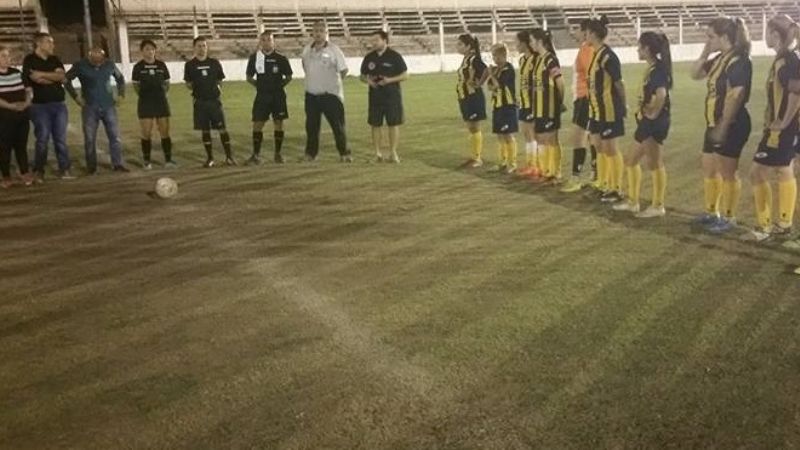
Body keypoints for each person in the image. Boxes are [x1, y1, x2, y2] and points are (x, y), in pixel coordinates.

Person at [690, 17, 753, 234]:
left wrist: (724, 126)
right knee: (709, 168)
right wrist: (705, 52)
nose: (708, 40)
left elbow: (736, 95)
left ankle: (729, 216)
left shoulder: (739, 60)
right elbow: (695, 74)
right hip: (714, 123)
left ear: (724, 37)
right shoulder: (720, 58)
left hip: (731, 124)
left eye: (711, 37)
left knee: (728, 172)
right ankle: (711, 211)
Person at [740, 15, 799, 242]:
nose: (764, 36)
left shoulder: (786, 60)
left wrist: (783, 122)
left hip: (780, 129)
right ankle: (781, 225)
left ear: (775, 34)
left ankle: (766, 227)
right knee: (783, 170)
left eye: (767, 31)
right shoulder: (785, 59)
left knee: (759, 172)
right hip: (780, 127)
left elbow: (795, 91)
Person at [612, 32, 672, 218]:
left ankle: (658, 205)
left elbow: (661, 94)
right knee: (631, 160)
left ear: (647, 49)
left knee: (654, 163)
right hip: (647, 122)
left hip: (654, 123)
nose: (637, 50)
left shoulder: (658, 70)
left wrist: (652, 113)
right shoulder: (653, 68)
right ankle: (633, 202)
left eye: (639, 47)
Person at [65, 45, 128, 174]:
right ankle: (91, 167)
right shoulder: (80, 65)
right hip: (89, 107)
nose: (99, 63)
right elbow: (66, 80)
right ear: (90, 57)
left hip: (108, 105)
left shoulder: (109, 64)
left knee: (115, 137)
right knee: (89, 138)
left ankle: (117, 164)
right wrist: (76, 97)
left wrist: (121, 94)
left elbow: (120, 78)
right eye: (96, 60)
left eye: (101, 60)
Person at [586, 16, 627, 203]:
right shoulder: (596, 53)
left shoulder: (608, 56)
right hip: (596, 110)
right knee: (598, 144)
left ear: (594, 34)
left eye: (587, 32)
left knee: (610, 148)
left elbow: (618, 83)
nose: (584, 36)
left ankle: (616, 188)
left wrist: (623, 105)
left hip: (609, 109)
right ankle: (604, 182)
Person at [22, 32, 72, 180]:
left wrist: (42, 75)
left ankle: (65, 169)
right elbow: (35, 80)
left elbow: (62, 77)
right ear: (39, 44)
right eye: (49, 42)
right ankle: (39, 170)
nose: (52, 45)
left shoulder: (55, 59)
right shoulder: (29, 60)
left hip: (59, 104)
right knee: (42, 138)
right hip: (39, 106)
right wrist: (53, 77)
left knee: (60, 139)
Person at [301, 21, 351, 162]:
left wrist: (332, 84)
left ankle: (344, 154)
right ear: (312, 32)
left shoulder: (334, 50)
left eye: (321, 31)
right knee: (311, 127)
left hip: (331, 96)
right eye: (315, 30)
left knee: (338, 127)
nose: (318, 33)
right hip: (311, 96)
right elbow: (305, 66)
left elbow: (344, 70)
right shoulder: (306, 50)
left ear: (326, 33)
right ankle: (311, 154)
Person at [184, 36, 235, 167]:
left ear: (207, 47)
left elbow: (220, 79)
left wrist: (217, 89)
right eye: (199, 46)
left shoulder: (214, 63)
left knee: (222, 128)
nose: (202, 48)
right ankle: (210, 158)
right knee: (205, 130)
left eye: (204, 46)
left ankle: (229, 157)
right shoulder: (190, 65)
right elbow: (188, 83)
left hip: (214, 101)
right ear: (194, 48)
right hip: (200, 102)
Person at [360, 29, 408, 164]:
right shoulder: (369, 57)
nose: (373, 43)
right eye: (372, 40)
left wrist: (389, 80)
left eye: (376, 40)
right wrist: (368, 81)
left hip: (392, 96)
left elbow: (405, 75)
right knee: (375, 124)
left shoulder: (395, 56)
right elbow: (362, 76)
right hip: (375, 96)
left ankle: (393, 153)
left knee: (393, 124)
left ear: (384, 40)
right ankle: (377, 154)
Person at [561, 19, 598, 193]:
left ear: (585, 32)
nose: (573, 32)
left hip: (584, 98)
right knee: (590, 137)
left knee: (579, 137)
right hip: (583, 98)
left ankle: (576, 177)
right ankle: (595, 174)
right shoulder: (586, 49)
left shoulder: (586, 50)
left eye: (577, 29)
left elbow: (592, 75)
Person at [246, 30, 293, 165]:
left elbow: (289, 77)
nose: (266, 42)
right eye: (264, 40)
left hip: (278, 96)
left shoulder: (281, 58)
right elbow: (249, 77)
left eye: (269, 39)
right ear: (260, 42)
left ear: (273, 42)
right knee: (257, 124)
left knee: (279, 123)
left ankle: (278, 154)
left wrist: (278, 87)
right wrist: (260, 86)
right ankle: (256, 155)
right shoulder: (255, 58)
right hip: (262, 96)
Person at [132, 39, 175, 169]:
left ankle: (168, 160)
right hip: (145, 103)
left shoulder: (161, 65)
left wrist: (161, 93)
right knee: (146, 132)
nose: (150, 51)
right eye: (147, 49)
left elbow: (167, 83)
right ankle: (147, 161)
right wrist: (145, 95)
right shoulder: (138, 67)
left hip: (161, 102)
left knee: (165, 131)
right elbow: (136, 85)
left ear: (155, 51)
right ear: (142, 51)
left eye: (152, 49)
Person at [530, 28, 565, 184]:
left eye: (532, 41)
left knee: (551, 140)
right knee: (541, 139)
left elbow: (560, 82)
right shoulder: (538, 59)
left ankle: (555, 173)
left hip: (550, 107)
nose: (530, 44)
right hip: (538, 108)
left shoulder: (550, 59)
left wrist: (559, 102)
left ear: (539, 41)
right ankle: (545, 171)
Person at [0, 45, 34, 187]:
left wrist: (27, 102)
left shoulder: (16, 72)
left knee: (21, 146)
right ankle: (6, 176)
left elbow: (28, 89)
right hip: (4, 117)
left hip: (22, 115)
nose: (7, 59)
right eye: (3, 56)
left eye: (8, 56)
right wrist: (11, 106)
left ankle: (24, 172)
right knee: (4, 147)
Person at [456, 33, 488, 168]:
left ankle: (477, 158)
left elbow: (486, 70)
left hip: (473, 97)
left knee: (474, 126)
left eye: (460, 44)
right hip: (464, 97)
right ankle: (474, 155)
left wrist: (479, 83)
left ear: (468, 46)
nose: (457, 47)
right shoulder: (466, 59)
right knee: (471, 127)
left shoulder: (474, 59)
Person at [486, 43, 518, 173]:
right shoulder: (497, 69)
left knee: (508, 134)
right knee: (500, 134)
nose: (494, 59)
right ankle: (503, 161)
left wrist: (492, 75)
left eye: (496, 56)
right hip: (497, 105)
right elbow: (490, 86)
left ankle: (512, 163)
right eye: (493, 56)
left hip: (507, 106)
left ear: (503, 55)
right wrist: (492, 78)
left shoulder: (508, 69)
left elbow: (498, 85)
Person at [515, 30, 539, 176]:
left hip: (534, 102)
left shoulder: (535, 60)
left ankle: (536, 166)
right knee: (526, 133)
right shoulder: (523, 60)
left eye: (517, 42)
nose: (515, 45)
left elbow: (537, 83)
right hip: (524, 102)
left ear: (524, 43)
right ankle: (531, 164)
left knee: (532, 134)